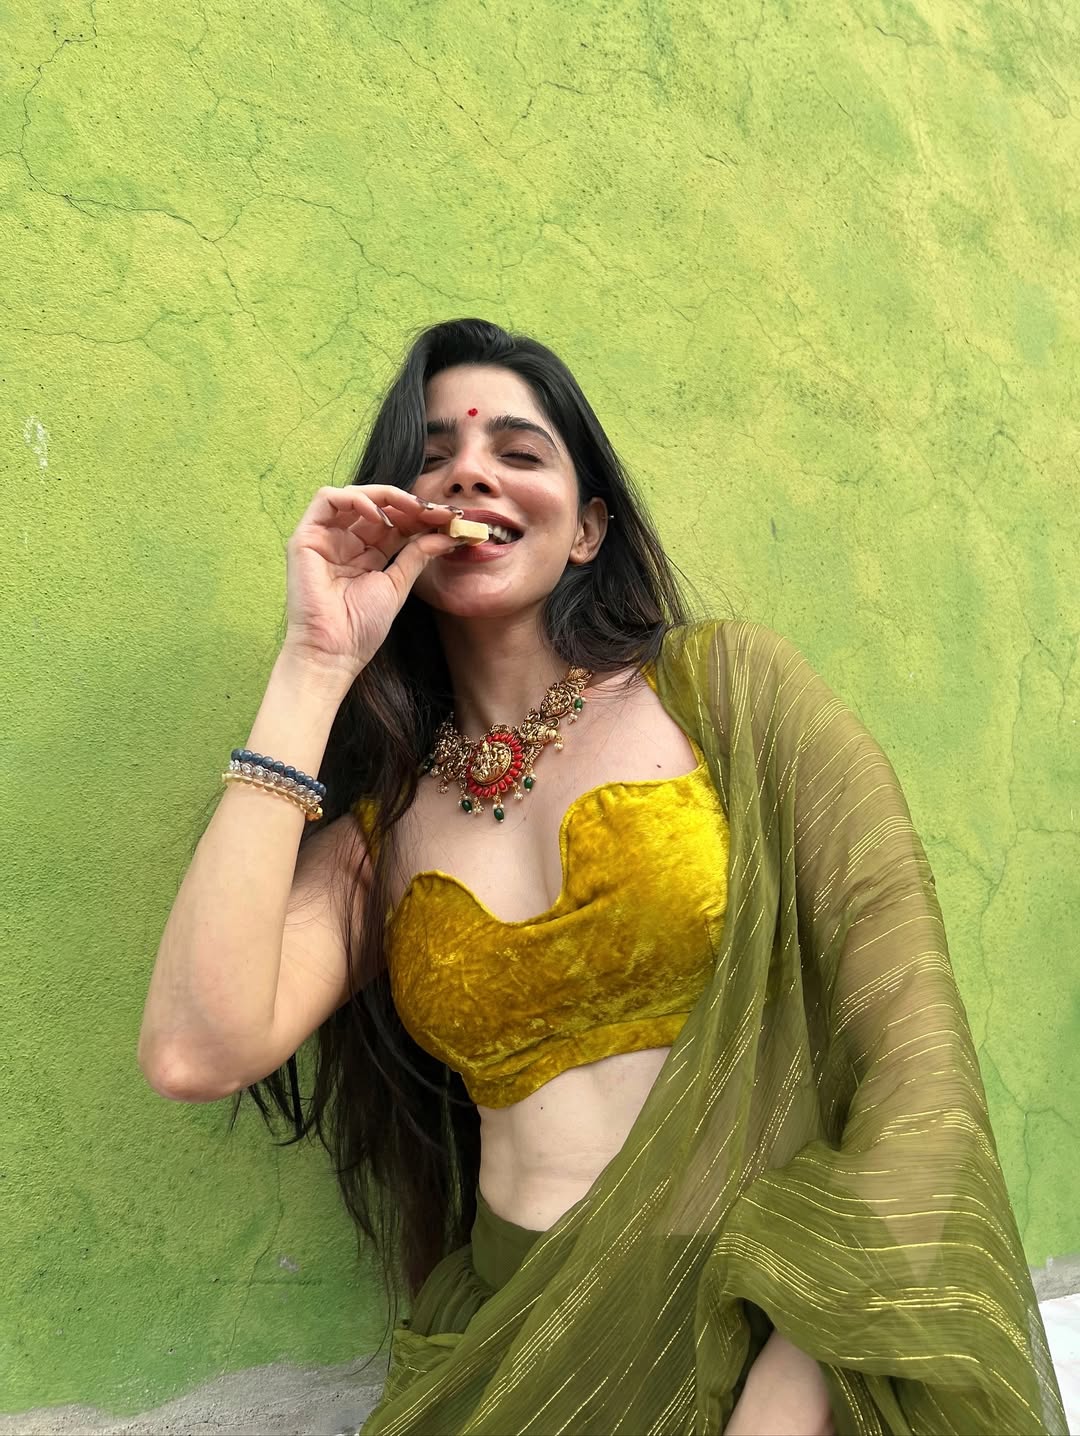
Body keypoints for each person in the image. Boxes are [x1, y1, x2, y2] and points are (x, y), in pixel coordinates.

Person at [138, 318, 1066, 1435]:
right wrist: (315, 662)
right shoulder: (385, 833)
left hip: (768, 1333)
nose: (470, 470)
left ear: (586, 528)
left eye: (517, 451)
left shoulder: (726, 693)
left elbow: (913, 1056)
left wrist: (804, 1366)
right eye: (433, 458)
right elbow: (197, 1048)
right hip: (515, 1353)